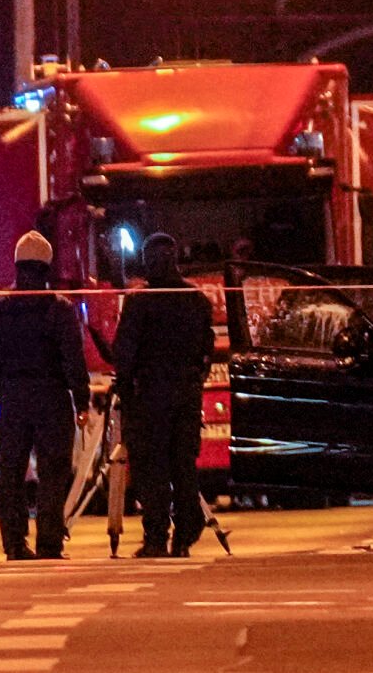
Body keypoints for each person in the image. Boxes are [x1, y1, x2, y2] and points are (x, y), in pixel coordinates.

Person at [0, 230, 90, 561]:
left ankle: (14, 544)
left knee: (11, 473)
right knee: (53, 472)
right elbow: (73, 359)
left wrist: (0, 391)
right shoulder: (59, 309)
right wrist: (81, 400)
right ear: (47, 267)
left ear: (16, 265)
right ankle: (49, 543)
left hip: (13, 398)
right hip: (52, 397)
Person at [114, 232, 215, 558]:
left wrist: (126, 391)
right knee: (183, 465)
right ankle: (186, 533)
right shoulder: (197, 300)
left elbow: (124, 355)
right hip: (185, 394)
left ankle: (157, 536)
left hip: (149, 397)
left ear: (147, 261)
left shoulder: (139, 302)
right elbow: (206, 352)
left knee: (151, 469)